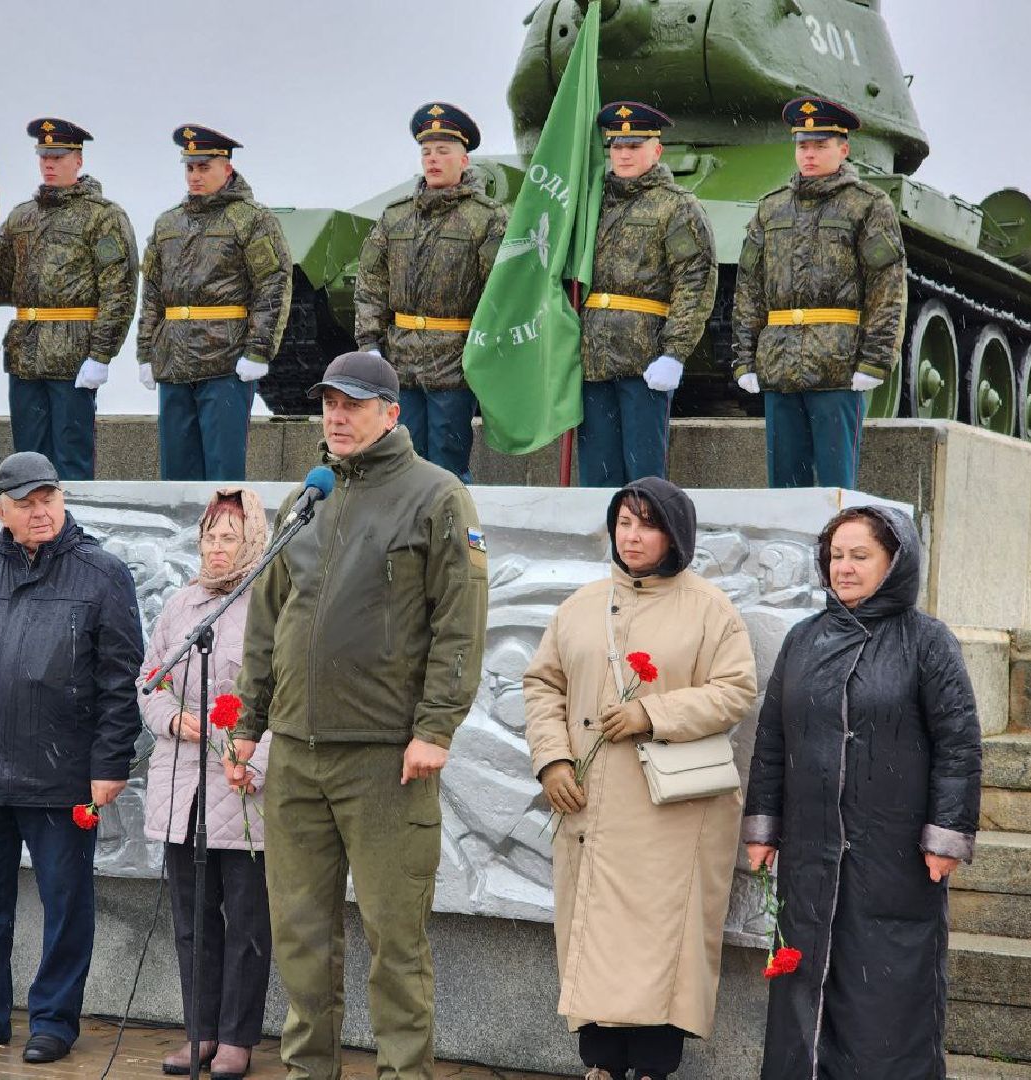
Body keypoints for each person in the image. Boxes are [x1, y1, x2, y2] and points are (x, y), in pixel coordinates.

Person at [224, 350, 488, 1080]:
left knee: (394, 940)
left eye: (353, 404)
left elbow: (460, 625)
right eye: (328, 404)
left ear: (391, 414)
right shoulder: (304, 499)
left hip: (384, 758)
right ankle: (311, 1070)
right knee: (301, 937)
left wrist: (436, 728)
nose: (336, 417)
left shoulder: (437, 497)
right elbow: (267, 620)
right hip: (297, 756)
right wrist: (248, 723)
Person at [522, 477, 757, 1080]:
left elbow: (735, 690)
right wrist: (551, 760)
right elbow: (542, 684)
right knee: (595, 943)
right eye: (624, 521)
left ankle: (655, 1068)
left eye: (647, 524)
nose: (632, 536)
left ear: (674, 534)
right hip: (588, 809)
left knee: (660, 952)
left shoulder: (710, 609)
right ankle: (599, 1066)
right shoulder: (581, 605)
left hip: (669, 820)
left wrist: (652, 713)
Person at [0, 450, 144, 1065]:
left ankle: (53, 1020)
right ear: (2, 511)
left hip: (63, 777)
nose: (39, 510)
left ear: (62, 501)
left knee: (65, 905)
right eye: (26, 502)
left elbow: (120, 681)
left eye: (48, 498)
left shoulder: (103, 574)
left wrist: (109, 764)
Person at [743, 505, 981, 1078]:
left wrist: (946, 835)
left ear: (894, 561)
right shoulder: (802, 639)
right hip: (811, 854)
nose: (843, 568)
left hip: (896, 857)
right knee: (804, 989)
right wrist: (763, 825)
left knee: (887, 995)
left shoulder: (928, 642)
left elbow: (959, 743)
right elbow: (773, 738)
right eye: (835, 556)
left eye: (860, 556)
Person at [140, 486, 272, 1080]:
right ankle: (200, 1033)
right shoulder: (182, 605)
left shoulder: (269, 603)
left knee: (245, 920)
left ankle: (239, 1039)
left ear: (254, 541)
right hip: (182, 786)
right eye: (210, 537)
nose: (218, 549)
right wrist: (172, 717)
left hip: (242, 788)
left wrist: (258, 760)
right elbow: (151, 678)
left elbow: (284, 696)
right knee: (192, 920)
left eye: (231, 537)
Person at [732, 96, 907, 489]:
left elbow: (887, 286)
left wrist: (875, 359)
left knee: (835, 487)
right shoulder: (771, 209)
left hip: (837, 364)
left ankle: (838, 552)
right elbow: (749, 290)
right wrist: (745, 359)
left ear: (843, 149)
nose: (809, 155)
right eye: (802, 145)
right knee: (783, 489)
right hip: (779, 364)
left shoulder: (867, 206)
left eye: (820, 145)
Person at [354, 102, 507, 483]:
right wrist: (369, 343)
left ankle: (451, 539)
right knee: (398, 461)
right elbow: (371, 282)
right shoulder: (396, 216)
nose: (433, 160)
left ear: (464, 159)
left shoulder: (487, 218)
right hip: (400, 360)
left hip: (453, 361)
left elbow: (498, 293)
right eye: (427, 152)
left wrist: (484, 350)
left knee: (447, 467)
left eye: (443, 151)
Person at [138, 124, 292, 481]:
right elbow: (153, 293)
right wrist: (146, 351)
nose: (195, 175)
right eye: (190, 167)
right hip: (174, 359)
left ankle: (227, 538)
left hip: (226, 359)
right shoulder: (168, 223)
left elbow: (272, 284)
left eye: (204, 166)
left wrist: (259, 350)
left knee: (223, 474)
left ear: (227, 167)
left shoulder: (252, 219)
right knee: (176, 474)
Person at [577, 103, 716, 487]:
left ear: (656, 150)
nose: (623, 154)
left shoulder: (677, 206)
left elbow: (694, 281)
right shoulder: (589, 204)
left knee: (644, 477)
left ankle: (645, 543)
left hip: (645, 358)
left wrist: (674, 352)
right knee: (596, 475)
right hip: (593, 357)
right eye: (617, 146)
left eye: (634, 146)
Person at [0, 118, 139, 480]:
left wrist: (102, 354)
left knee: (71, 462)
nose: (49, 163)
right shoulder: (21, 218)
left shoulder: (103, 217)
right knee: (27, 462)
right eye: (44, 156)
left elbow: (118, 288)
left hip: (74, 357)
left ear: (78, 160)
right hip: (26, 355)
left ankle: (72, 532)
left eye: (58, 156)